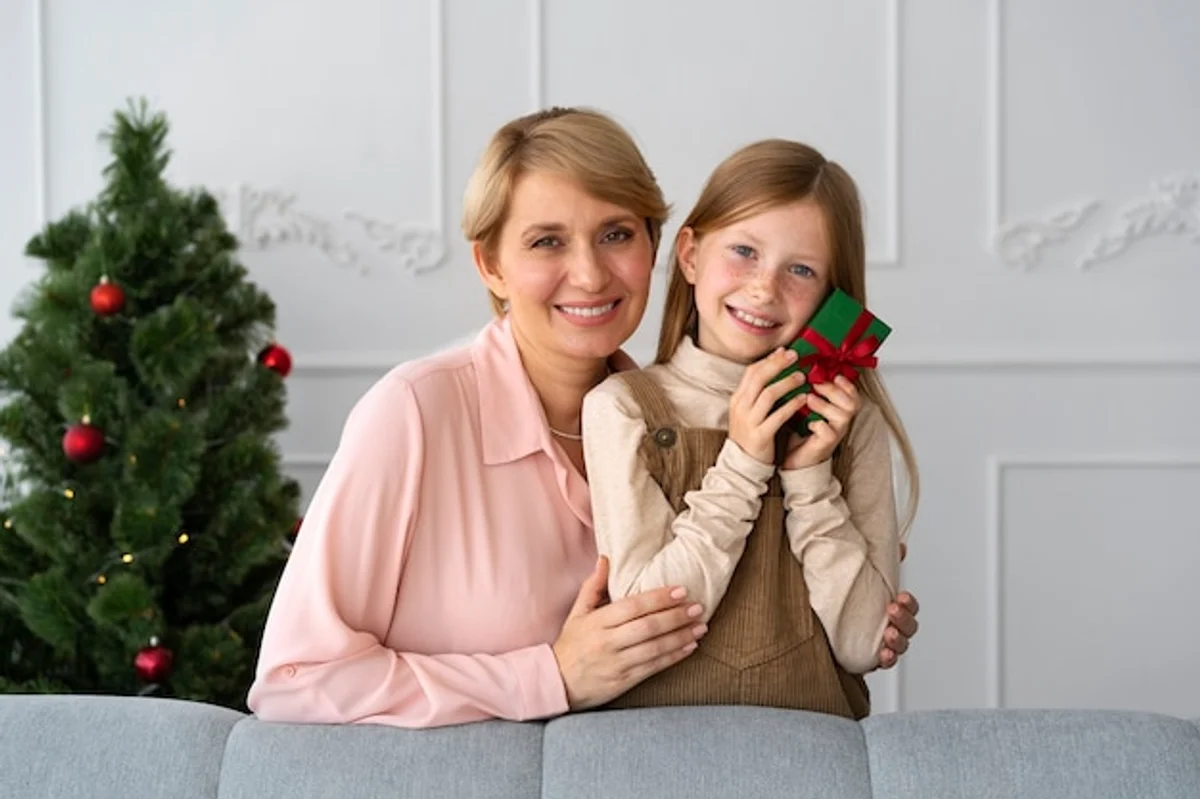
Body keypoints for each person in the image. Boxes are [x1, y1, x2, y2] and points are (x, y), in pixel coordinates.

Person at [246, 108, 920, 730]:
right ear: (491, 264)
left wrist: (847, 566)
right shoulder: (414, 416)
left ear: (657, 247)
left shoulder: (679, 421)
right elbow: (294, 681)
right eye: (546, 241)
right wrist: (551, 674)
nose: (591, 274)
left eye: (616, 234)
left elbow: (835, 627)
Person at [583, 138, 919, 719]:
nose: (765, 288)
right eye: (744, 251)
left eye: (801, 270)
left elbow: (865, 643)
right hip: (650, 752)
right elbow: (645, 615)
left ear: (831, 297)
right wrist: (742, 460)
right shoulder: (623, 409)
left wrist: (810, 478)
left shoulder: (850, 425)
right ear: (690, 255)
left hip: (816, 755)